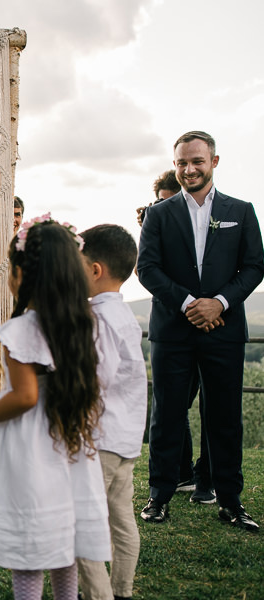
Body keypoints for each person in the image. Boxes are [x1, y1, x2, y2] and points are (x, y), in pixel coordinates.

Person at [0, 218, 110, 600]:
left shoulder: (20, 332)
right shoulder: (81, 324)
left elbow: (25, 397)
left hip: (31, 451)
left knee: (29, 551)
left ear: (22, 274)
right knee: (62, 545)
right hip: (68, 444)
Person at [137, 131, 264, 532]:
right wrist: (189, 303)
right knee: (167, 414)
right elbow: (147, 269)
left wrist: (220, 303)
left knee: (224, 416)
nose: (189, 169)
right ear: (175, 165)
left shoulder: (240, 211)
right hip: (173, 330)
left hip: (224, 330)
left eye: (196, 161)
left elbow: (255, 267)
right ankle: (159, 497)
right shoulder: (158, 214)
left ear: (214, 161)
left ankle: (230, 501)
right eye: (181, 163)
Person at [76, 225, 147, 600]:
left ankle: (99, 596)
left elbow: (95, 379)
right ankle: (122, 591)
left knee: (81, 526)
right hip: (126, 438)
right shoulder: (124, 316)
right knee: (121, 520)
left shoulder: (98, 319)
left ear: (95, 270)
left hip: (99, 437)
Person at [139, 169, 214, 501]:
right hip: (171, 325)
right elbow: (149, 268)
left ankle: (206, 478)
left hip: (212, 323)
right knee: (172, 405)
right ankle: (181, 475)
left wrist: (208, 308)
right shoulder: (156, 224)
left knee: (212, 406)